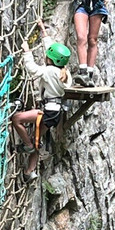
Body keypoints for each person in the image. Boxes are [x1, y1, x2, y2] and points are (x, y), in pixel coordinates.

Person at [10, 37, 72, 180]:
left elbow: (32, 69)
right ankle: (29, 172)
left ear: (50, 59)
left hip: (48, 111)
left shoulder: (49, 71)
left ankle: (27, 146)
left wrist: (26, 52)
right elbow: (53, 51)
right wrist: (44, 33)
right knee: (36, 138)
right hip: (55, 113)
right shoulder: (65, 73)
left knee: (17, 119)